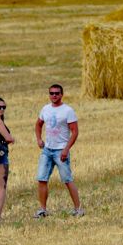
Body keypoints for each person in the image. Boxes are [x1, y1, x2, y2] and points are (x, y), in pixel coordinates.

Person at [33, 84, 83, 218]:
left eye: (56, 93)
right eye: (51, 93)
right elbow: (38, 124)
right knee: (41, 179)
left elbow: (75, 132)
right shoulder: (45, 109)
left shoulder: (68, 111)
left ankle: (78, 209)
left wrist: (66, 149)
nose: (54, 95)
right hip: (47, 150)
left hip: (60, 150)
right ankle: (43, 210)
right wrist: (39, 139)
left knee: (67, 179)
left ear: (62, 95)